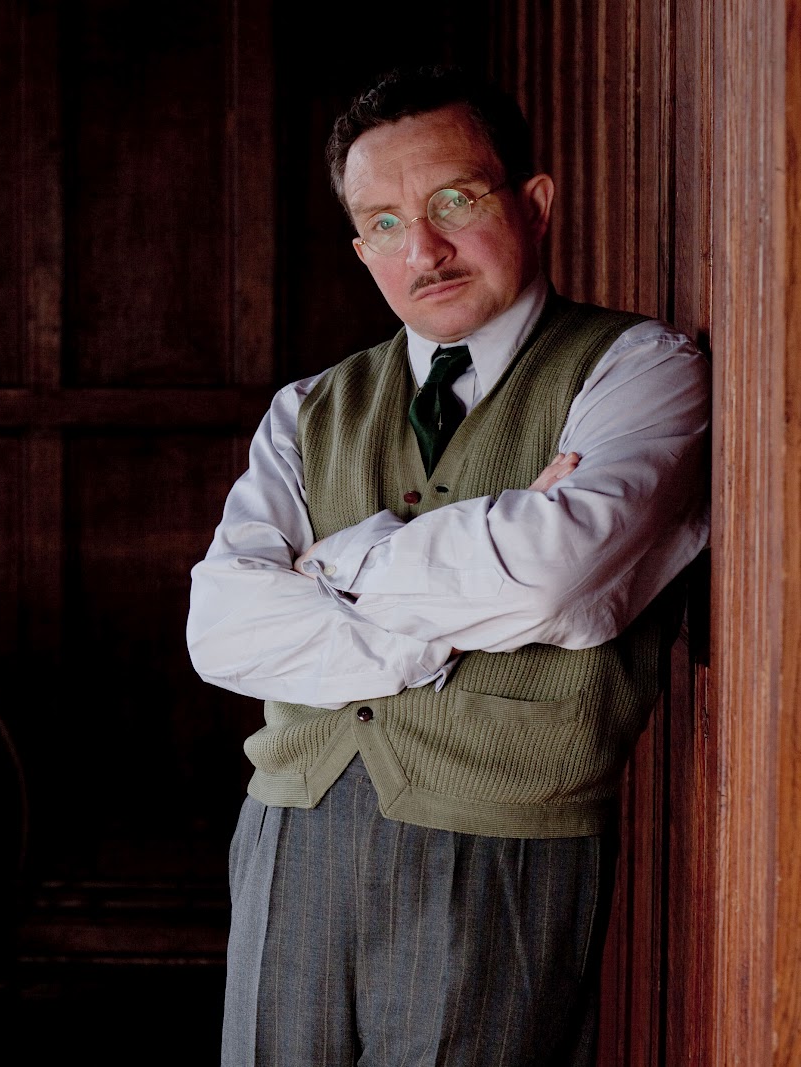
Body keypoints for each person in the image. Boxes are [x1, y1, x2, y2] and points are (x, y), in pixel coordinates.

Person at [187, 65, 708, 1067]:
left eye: (454, 202)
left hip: (506, 844)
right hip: (291, 832)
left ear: (534, 204)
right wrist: (468, 592)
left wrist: (325, 570)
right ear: (361, 249)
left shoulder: (638, 369)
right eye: (383, 223)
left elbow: (553, 578)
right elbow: (221, 630)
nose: (421, 249)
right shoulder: (306, 410)